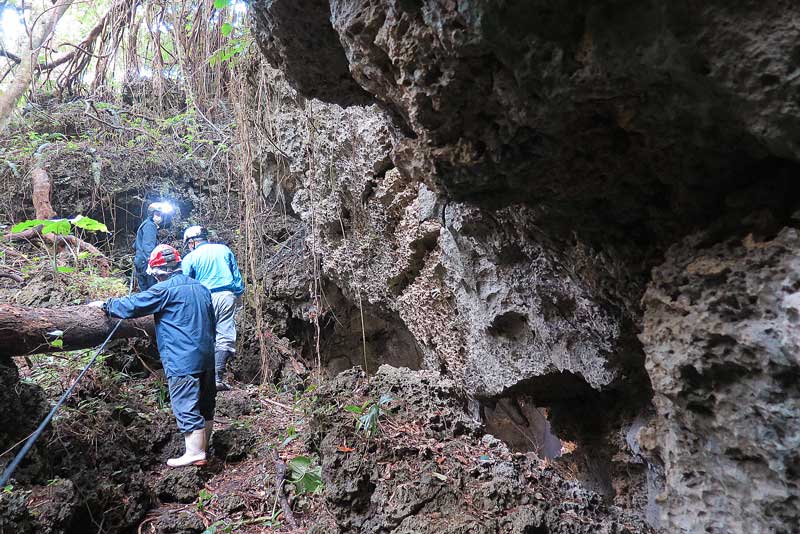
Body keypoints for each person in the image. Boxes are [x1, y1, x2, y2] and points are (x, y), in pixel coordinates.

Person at [91, 244, 216, 467]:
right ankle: (203, 448)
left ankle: (195, 453)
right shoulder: (201, 288)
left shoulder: (164, 290)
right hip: (207, 356)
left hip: (182, 359)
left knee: (186, 403)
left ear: (158, 272)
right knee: (205, 404)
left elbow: (133, 305)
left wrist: (105, 304)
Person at [181, 225, 244, 391]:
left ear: (192, 242)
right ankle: (217, 378)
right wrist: (237, 294)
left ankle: (200, 379)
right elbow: (237, 277)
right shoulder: (224, 250)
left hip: (202, 298)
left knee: (202, 335)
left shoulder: (190, 257)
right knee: (224, 335)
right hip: (225, 295)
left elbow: (185, 282)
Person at [134, 202, 173, 291]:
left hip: (140, 261)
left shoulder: (145, 224)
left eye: (160, 214)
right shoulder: (150, 226)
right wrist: (153, 263)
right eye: (157, 214)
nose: (159, 217)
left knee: (145, 291)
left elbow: (136, 245)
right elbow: (148, 246)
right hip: (145, 263)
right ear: (151, 214)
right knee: (153, 290)